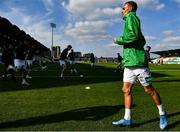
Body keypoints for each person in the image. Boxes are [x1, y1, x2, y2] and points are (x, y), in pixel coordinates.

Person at [112, 1, 167, 130]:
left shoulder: (131, 17)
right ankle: (127, 119)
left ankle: (162, 113)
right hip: (129, 63)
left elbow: (133, 36)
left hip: (138, 63)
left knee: (149, 90)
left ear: (130, 8)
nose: (122, 10)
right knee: (126, 90)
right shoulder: (129, 20)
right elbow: (140, 38)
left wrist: (118, 40)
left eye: (123, 7)